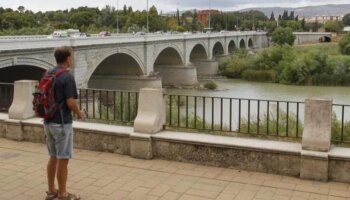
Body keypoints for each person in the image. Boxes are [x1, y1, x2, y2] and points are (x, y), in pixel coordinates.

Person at [44, 46, 85, 200]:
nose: (71, 59)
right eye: (71, 57)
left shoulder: (49, 73)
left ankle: (51, 191)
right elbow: (70, 102)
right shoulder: (67, 77)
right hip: (61, 124)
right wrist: (79, 113)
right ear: (68, 59)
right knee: (63, 158)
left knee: (53, 156)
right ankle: (62, 194)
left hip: (48, 122)